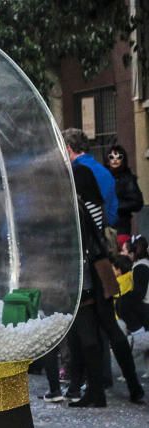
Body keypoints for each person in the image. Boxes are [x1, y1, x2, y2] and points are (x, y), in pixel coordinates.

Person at [65, 164, 145, 407]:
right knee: (111, 329)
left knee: (88, 329)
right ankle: (133, 386)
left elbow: (78, 241)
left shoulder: (77, 206)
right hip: (102, 270)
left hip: (88, 273)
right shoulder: (96, 204)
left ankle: (96, 391)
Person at [62, 129, 119, 229]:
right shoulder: (105, 172)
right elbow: (113, 211)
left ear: (68, 149)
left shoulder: (74, 173)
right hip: (103, 233)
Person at [103, 145, 144, 246]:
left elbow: (137, 202)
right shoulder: (103, 177)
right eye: (111, 157)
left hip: (121, 227)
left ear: (123, 159)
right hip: (104, 227)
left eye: (119, 157)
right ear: (107, 160)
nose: (115, 160)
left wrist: (116, 206)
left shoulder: (128, 179)